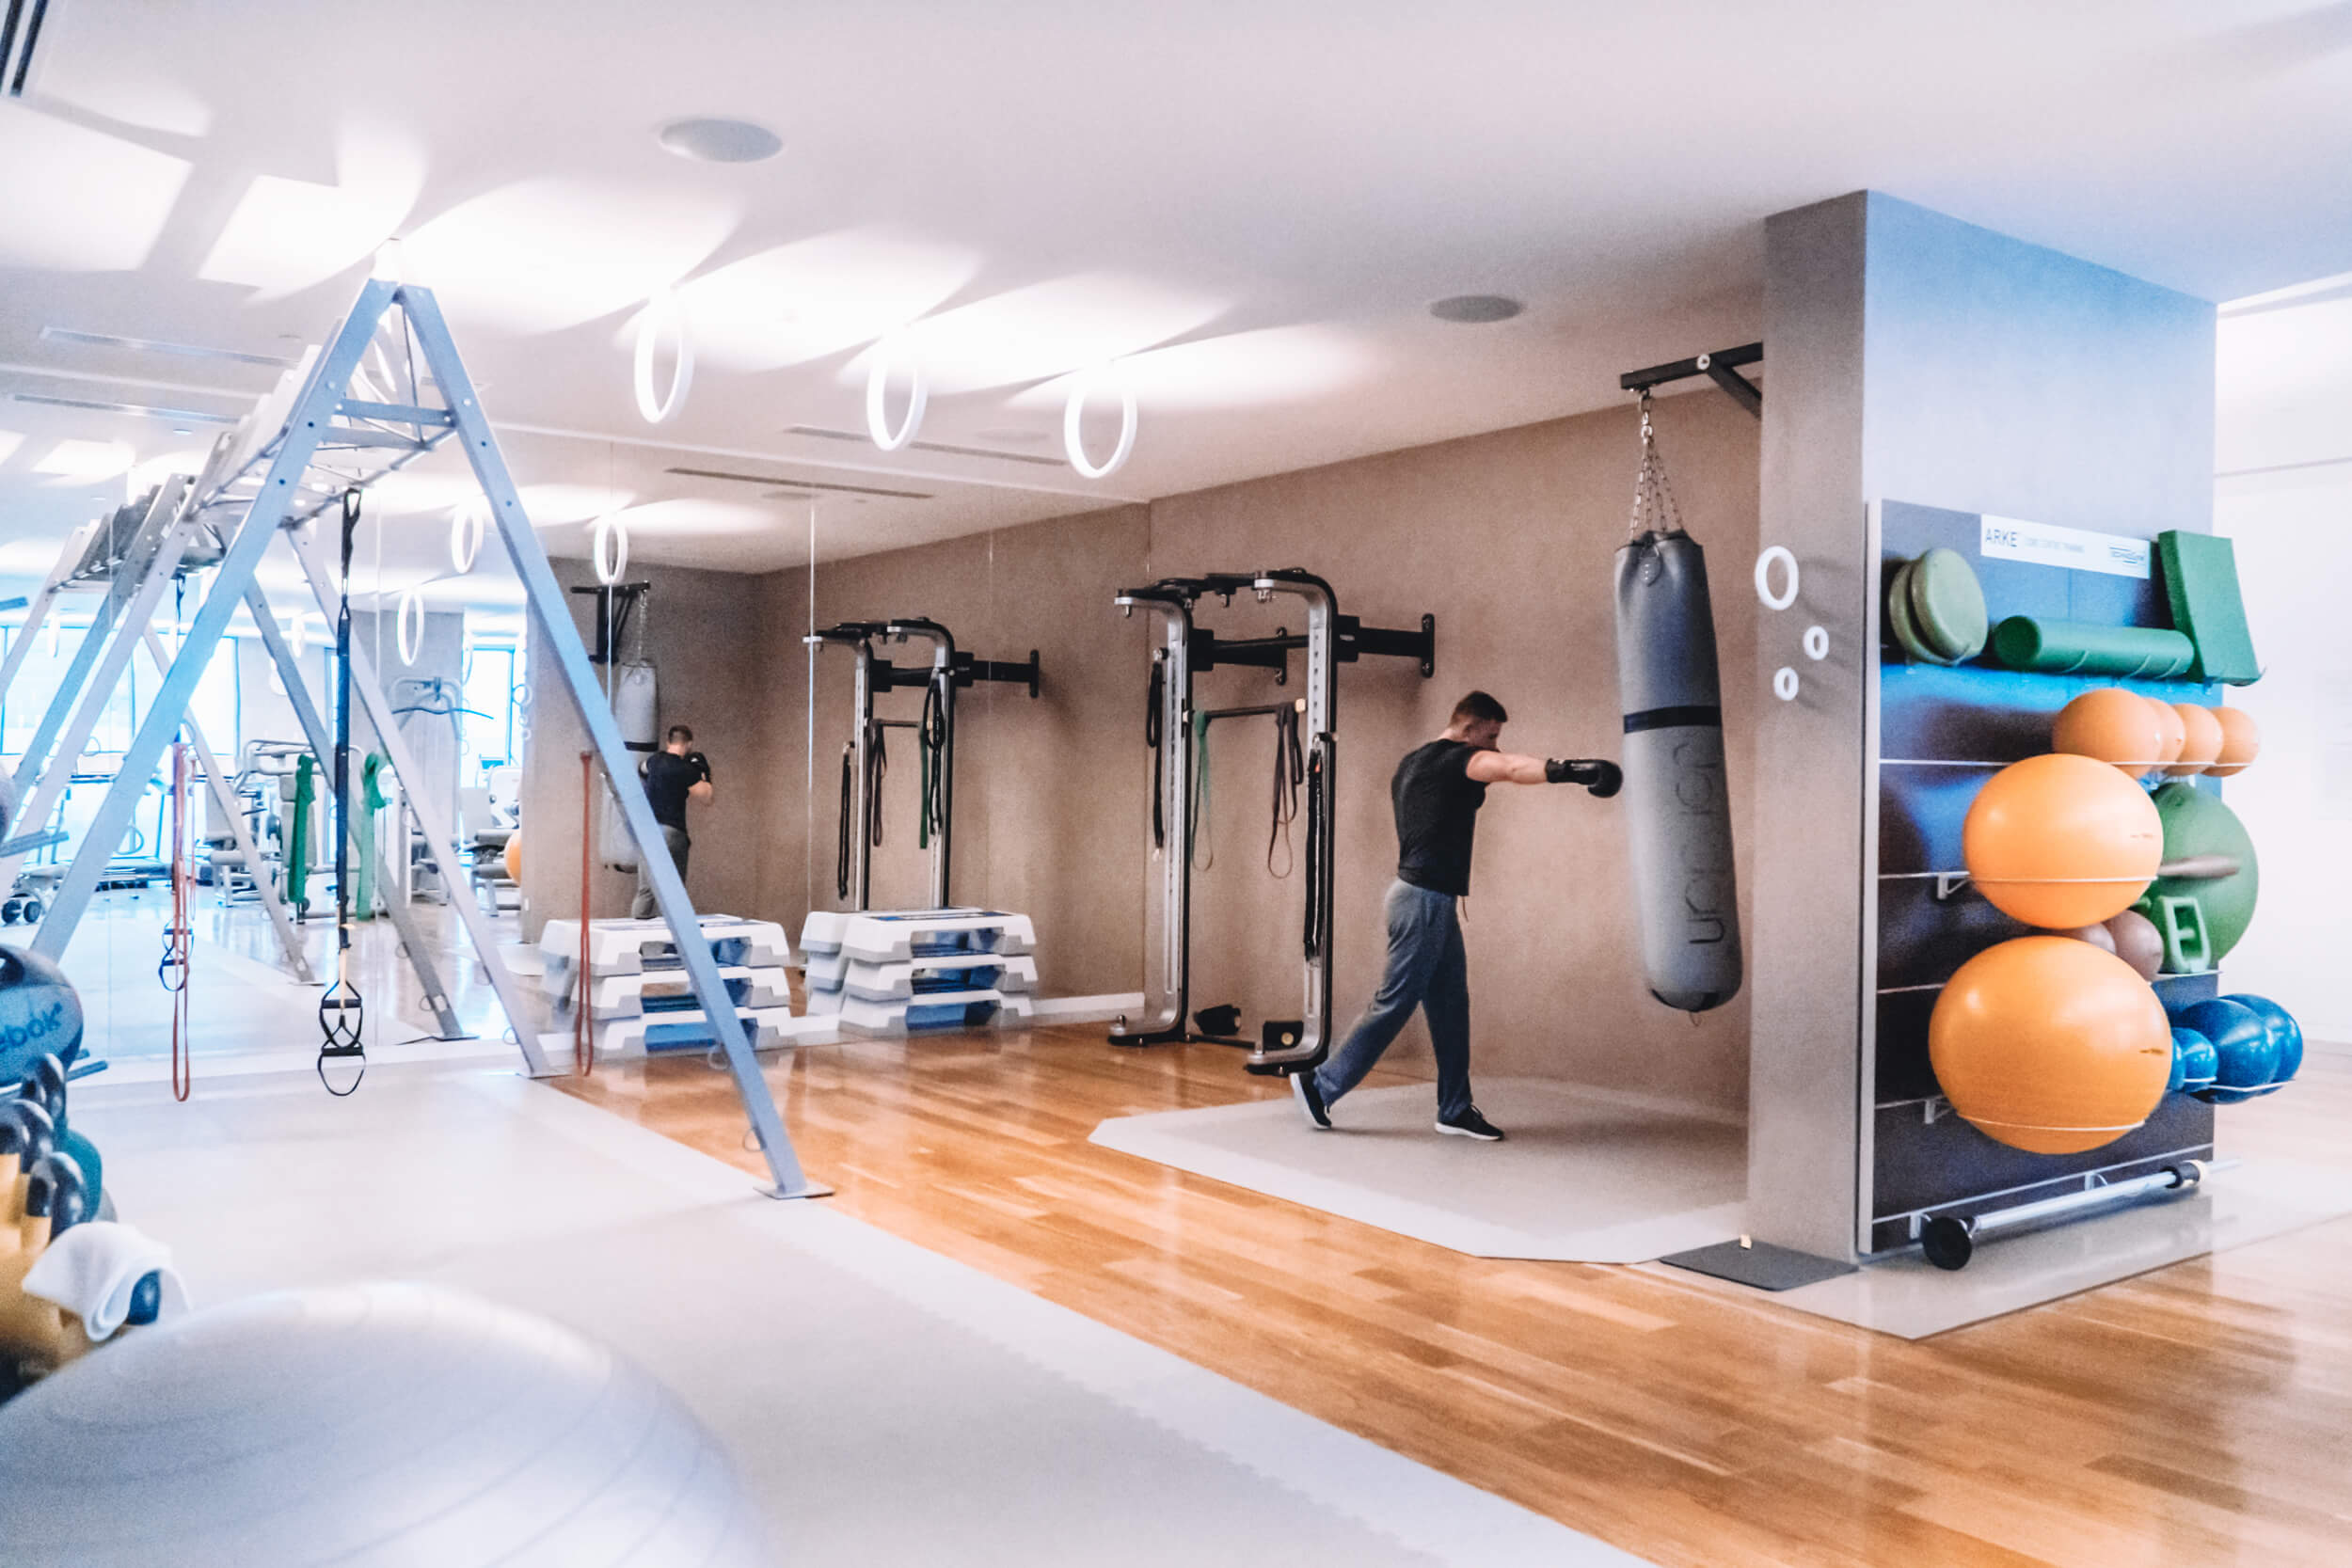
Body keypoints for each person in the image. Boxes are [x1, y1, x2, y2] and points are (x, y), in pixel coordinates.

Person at [1291, 690, 1619, 1140]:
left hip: (1430, 901)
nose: (1496, 747)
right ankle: (1320, 1085)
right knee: (1394, 1003)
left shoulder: (1412, 763)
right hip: (1422, 901)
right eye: (1492, 736)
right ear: (1469, 730)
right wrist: (1573, 771)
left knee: (1449, 1007)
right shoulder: (1458, 759)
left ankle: (1454, 1108)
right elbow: (1508, 768)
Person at [631, 724, 712, 919]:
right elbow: (706, 796)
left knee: (646, 891)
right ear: (689, 744)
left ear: (669, 742)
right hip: (671, 831)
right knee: (674, 892)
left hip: (648, 832)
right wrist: (704, 772)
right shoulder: (686, 769)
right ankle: (675, 940)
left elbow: (641, 770)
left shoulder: (654, 761)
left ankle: (636, 943)